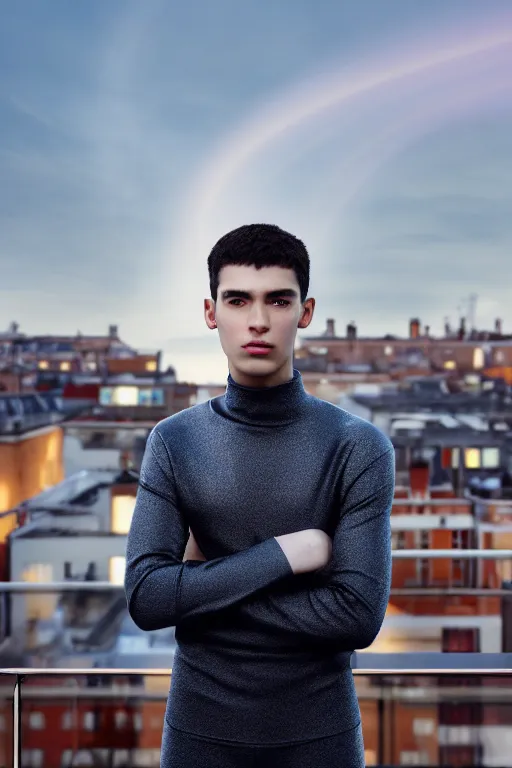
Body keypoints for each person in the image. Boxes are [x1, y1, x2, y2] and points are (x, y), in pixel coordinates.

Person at [124, 223, 395, 767]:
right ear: (211, 312)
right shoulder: (173, 442)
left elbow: (357, 617)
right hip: (199, 737)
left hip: (321, 741)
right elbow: (147, 597)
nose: (258, 321)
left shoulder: (359, 447)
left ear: (305, 311)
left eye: (278, 300)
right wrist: (284, 556)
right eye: (238, 299)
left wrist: (202, 594)